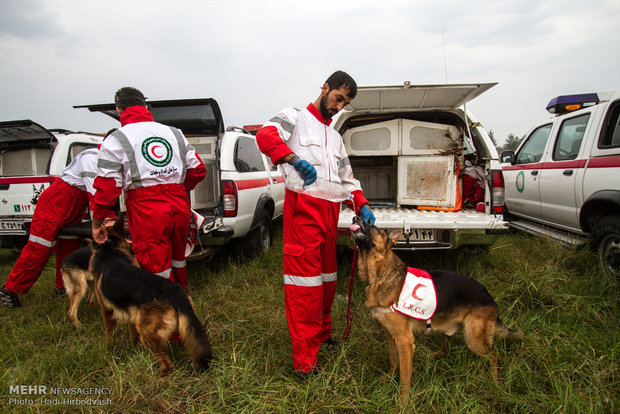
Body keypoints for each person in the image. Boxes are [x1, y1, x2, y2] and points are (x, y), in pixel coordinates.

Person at [256, 70, 375, 374]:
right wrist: (293, 159)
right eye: (338, 98)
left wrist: (361, 204)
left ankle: (323, 337)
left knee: (326, 281)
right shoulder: (294, 117)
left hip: (330, 214)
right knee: (304, 288)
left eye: (345, 104)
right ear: (324, 88)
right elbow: (265, 136)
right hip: (303, 213)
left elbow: (347, 178)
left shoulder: (335, 138)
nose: (339, 107)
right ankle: (305, 362)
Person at [91, 87, 206, 290]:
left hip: (147, 211)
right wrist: (178, 189)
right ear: (145, 106)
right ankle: (182, 303)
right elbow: (198, 170)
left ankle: (164, 314)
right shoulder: (174, 133)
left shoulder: (116, 139)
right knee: (178, 260)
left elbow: (107, 190)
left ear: (118, 109)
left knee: (155, 269)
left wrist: (98, 221)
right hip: (179, 206)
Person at [0, 147, 100, 308]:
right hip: (58, 200)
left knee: (69, 248)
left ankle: (64, 288)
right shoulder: (92, 157)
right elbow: (96, 194)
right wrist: (101, 220)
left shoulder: (110, 160)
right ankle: (8, 290)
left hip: (75, 202)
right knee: (39, 249)